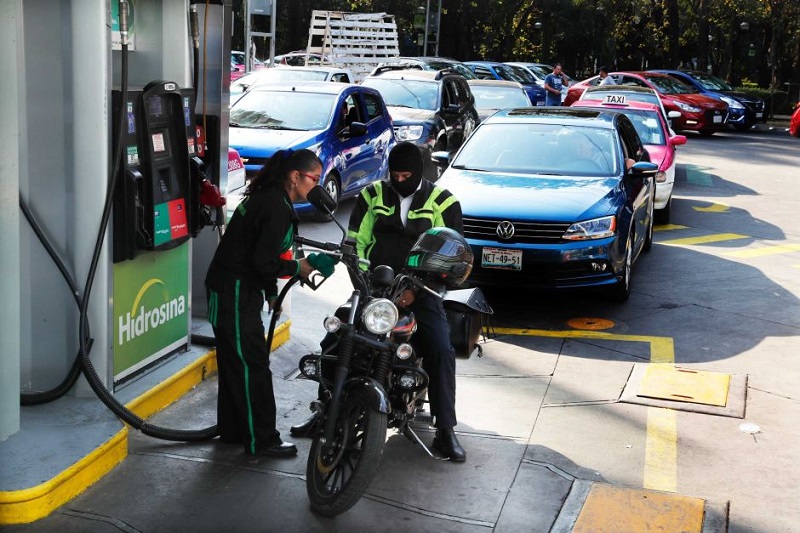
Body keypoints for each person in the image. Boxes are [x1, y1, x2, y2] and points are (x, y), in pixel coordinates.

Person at [291, 142, 468, 462]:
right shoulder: (372, 196)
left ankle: (446, 429)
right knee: (336, 337)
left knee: (441, 349)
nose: (399, 180)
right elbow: (354, 242)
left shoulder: (443, 201)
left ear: (418, 173)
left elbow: (452, 255)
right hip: (375, 288)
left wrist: (417, 289)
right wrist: (364, 283)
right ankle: (324, 412)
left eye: (406, 175)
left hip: (420, 291)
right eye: (394, 174)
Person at [205, 148, 326, 458]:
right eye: (315, 179)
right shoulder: (275, 207)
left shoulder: (274, 199)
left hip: (235, 289)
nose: (318, 186)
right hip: (233, 291)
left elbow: (259, 251)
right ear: (295, 176)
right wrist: (297, 268)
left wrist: (271, 292)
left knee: (237, 364)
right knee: (252, 367)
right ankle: (263, 440)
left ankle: (234, 431)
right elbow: (264, 260)